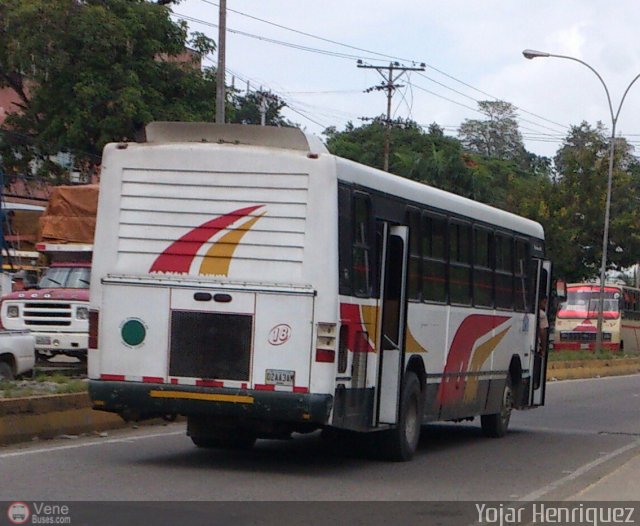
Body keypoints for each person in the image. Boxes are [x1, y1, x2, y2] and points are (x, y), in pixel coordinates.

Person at [534, 295, 549, 389]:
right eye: (544, 302)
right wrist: (543, 348)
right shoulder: (542, 314)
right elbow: (543, 332)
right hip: (536, 347)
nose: (545, 305)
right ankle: (535, 384)